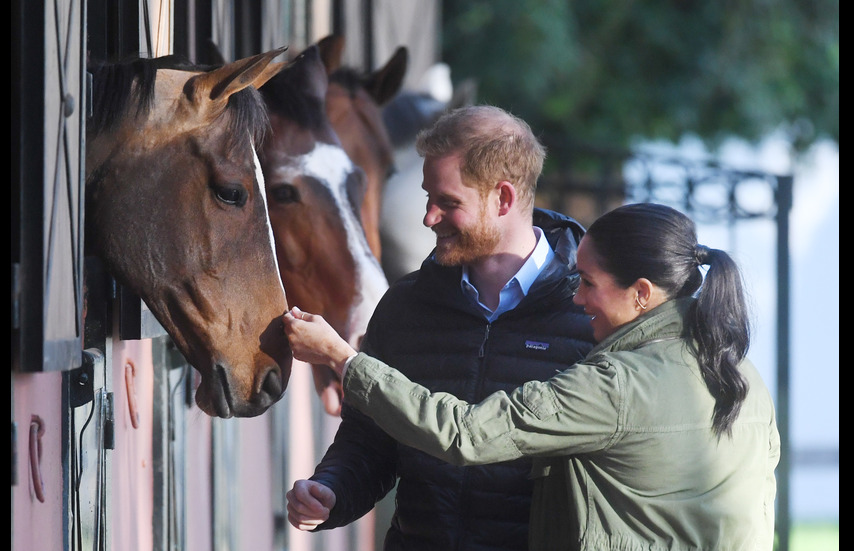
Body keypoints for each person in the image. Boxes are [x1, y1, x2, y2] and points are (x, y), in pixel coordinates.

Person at [284, 202, 780, 551]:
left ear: (642, 294)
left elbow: (466, 433)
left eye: (588, 284)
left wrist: (344, 359)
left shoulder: (618, 385)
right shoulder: (743, 375)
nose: (578, 298)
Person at [284, 105, 597, 550]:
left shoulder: (589, 316)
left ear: (503, 199)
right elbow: (368, 439)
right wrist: (331, 492)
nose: (428, 217)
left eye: (448, 202)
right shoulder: (406, 304)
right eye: (428, 197)